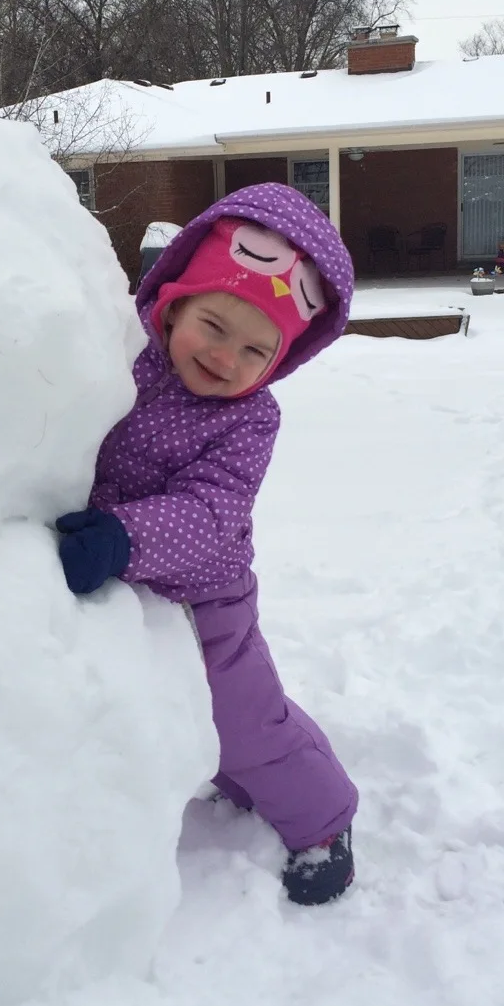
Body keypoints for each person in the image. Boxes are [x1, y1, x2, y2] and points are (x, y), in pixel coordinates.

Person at [55, 183, 358, 905]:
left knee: (245, 724)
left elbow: (211, 510)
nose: (228, 358)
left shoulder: (250, 421)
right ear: (174, 298)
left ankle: (321, 819)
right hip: (112, 579)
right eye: (215, 326)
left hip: (203, 600)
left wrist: (123, 537)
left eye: (258, 350)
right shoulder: (119, 352)